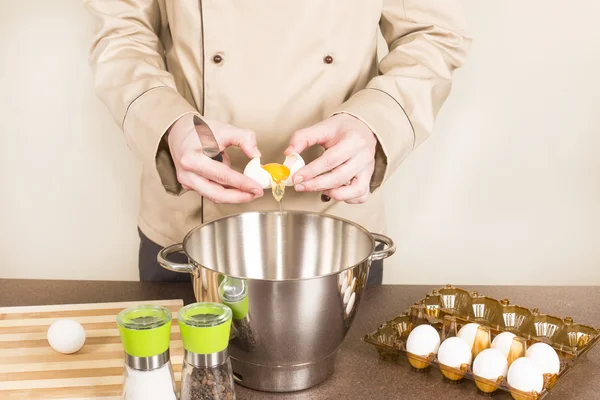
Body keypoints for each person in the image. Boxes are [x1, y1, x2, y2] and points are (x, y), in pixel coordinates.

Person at [85, 1, 471, 284]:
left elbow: (433, 34)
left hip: (335, 230)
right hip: (190, 221)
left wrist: (375, 121)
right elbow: (122, 32)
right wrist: (165, 121)